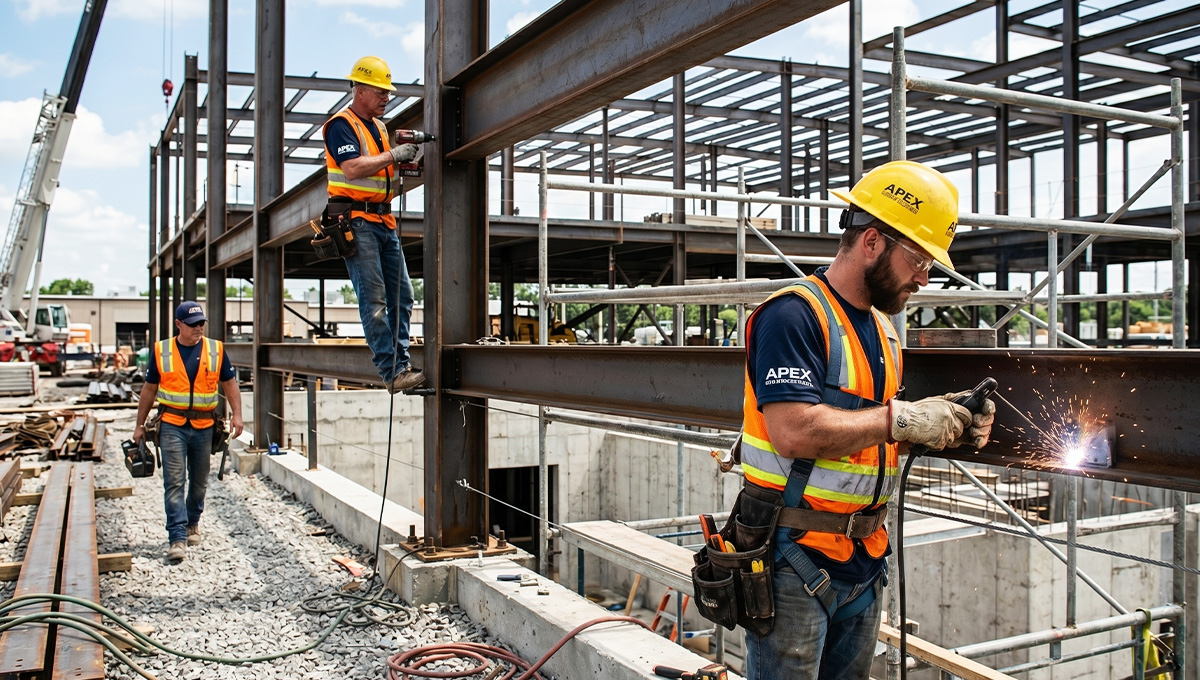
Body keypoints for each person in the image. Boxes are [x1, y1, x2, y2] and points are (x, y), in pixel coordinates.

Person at [738, 161, 995, 680]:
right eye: (919, 259)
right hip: (794, 557)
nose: (925, 277)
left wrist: (946, 416)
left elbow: (869, 427)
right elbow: (793, 431)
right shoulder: (794, 315)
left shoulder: (884, 332)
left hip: (864, 558)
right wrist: (904, 420)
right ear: (872, 242)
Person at [323, 55, 424, 394]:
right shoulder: (341, 124)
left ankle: (402, 364)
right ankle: (392, 371)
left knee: (403, 295)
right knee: (375, 300)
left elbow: (380, 172)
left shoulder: (379, 128)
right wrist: (395, 156)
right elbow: (352, 168)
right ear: (361, 89)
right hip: (358, 221)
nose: (386, 98)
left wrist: (406, 163)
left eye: (387, 93)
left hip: (383, 219)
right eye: (381, 92)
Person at [134, 301, 243, 562]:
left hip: (205, 426)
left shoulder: (215, 350)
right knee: (174, 481)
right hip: (172, 424)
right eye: (193, 324)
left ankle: (193, 522)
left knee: (199, 482)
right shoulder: (162, 351)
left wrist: (238, 414)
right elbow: (149, 390)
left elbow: (229, 383)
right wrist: (139, 425)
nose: (199, 328)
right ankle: (177, 538)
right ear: (178, 324)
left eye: (202, 323)